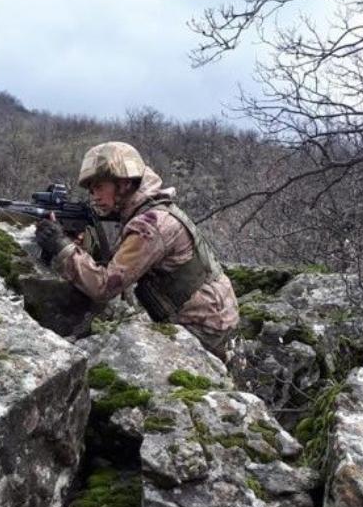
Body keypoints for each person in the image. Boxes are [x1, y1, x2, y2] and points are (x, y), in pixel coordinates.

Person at [35, 141, 240, 361]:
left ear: (123, 184)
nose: (93, 196)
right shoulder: (151, 210)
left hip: (205, 334)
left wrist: (61, 246)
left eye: (99, 187)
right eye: (91, 190)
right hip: (217, 325)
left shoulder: (151, 224)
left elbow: (104, 287)